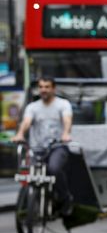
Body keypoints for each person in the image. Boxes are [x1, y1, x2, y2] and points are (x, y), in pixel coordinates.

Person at [12, 77, 73, 216]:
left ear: (53, 89)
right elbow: (26, 122)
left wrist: (66, 133)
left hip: (57, 147)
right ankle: (32, 202)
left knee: (54, 169)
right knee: (30, 174)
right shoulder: (32, 107)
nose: (43, 90)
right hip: (36, 148)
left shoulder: (63, 104)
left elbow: (67, 120)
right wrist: (20, 134)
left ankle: (65, 198)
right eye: (41, 87)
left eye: (47, 87)